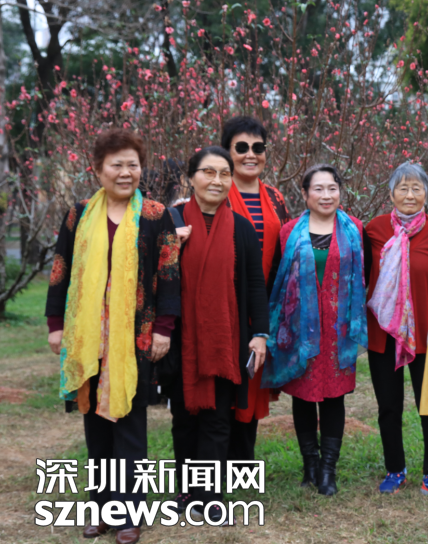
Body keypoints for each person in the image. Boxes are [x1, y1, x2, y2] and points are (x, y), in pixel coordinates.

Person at [45, 129, 180, 544]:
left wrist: (163, 329)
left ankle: (129, 514)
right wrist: (56, 324)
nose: (125, 172)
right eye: (116, 165)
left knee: (129, 425)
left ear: (141, 169)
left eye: (132, 165)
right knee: (96, 424)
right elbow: (61, 269)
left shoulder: (156, 215)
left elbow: (169, 275)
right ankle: (101, 508)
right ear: (98, 169)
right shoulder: (79, 214)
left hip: (135, 338)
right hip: (88, 337)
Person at [165, 146, 269, 522]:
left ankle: (209, 497)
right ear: (191, 178)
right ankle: (186, 490)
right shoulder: (171, 220)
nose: (217, 180)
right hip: (181, 339)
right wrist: (170, 246)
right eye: (208, 172)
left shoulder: (241, 227)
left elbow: (255, 284)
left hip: (226, 338)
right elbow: (152, 276)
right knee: (184, 417)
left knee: (218, 418)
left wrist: (260, 333)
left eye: (224, 173)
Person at [263, 164, 366, 497]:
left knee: (334, 396)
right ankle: (309, 465)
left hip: (338, 331)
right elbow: (278, 280)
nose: (326, 195)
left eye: (332, 188)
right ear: (305, 194)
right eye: (318, 189)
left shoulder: (354, 229)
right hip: (299, 329)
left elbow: (365, 277)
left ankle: (327, 470)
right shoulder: (288, 232)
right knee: (303, 395)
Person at [364, 162, 428, 498]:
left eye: (416, 188)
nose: (409, 194)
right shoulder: (374, 230)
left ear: (426, 194)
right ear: (391, 193)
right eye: (402, 188)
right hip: (383, 335)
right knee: (388, 406)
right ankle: (395, 468)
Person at [221, 116, 291, 462]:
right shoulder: (215, 193)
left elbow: (286, 250)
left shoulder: (275, 198)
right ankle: (214, 461)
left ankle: (242, 459)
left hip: (263, 306)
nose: (251, 154)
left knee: (250, 378)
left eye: (258, 147)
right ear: (227, 152)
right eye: (242, 147)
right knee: (222, 381)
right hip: (223, 306)